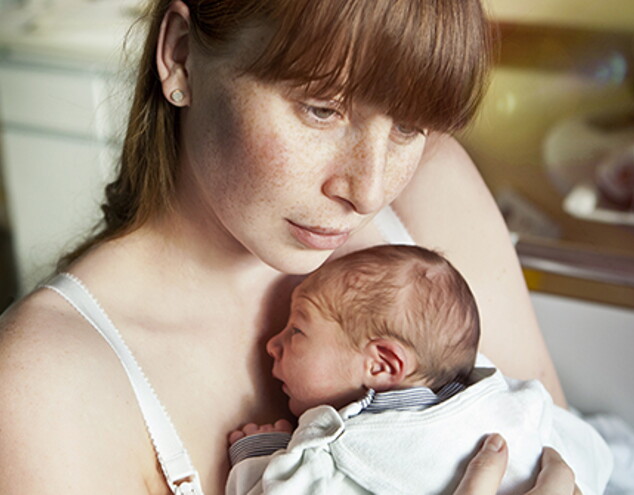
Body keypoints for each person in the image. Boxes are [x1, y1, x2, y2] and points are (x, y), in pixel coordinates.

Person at [0, 0, 581, 493]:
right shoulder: (45, 385)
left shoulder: (431, 186)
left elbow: (563, 444)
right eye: (322, 109)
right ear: (180, 55)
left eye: (407, 126)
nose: (369, 190)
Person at [225, 245, 611, 494]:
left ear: (381, 364)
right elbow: (589, 449)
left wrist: (261, 457)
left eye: (297, 330)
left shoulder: (356, 450)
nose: (272, 344)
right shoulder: (510, 399)